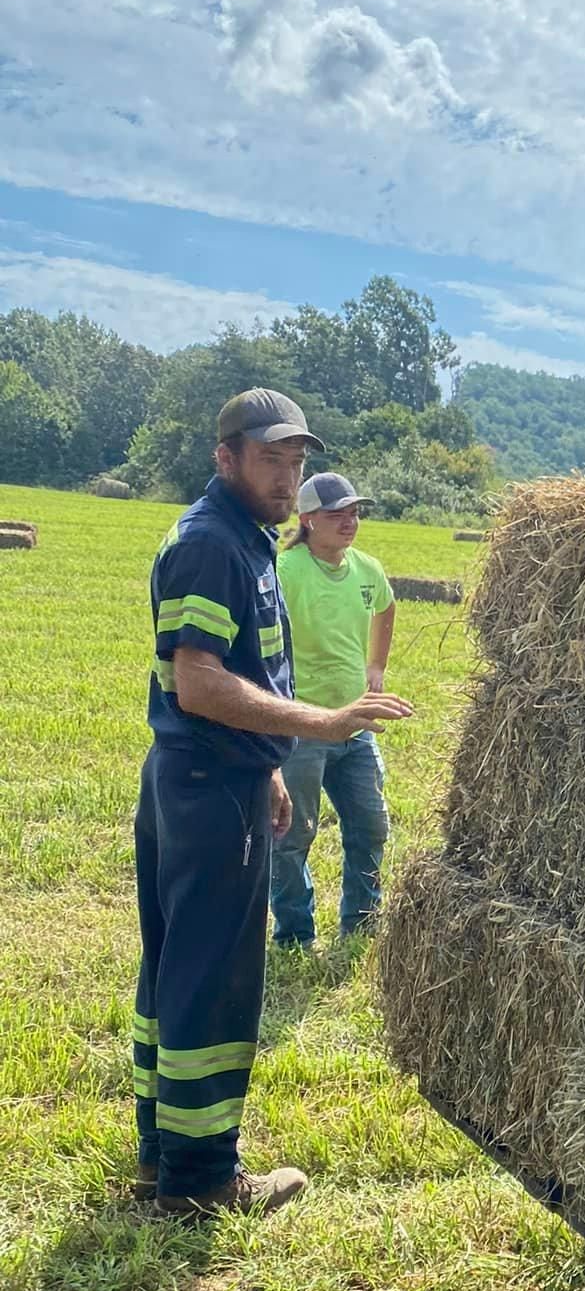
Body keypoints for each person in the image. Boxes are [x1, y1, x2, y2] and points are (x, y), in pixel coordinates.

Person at [132, 389, 413, 1220]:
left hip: (210, 775)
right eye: (270, 459)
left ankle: (161, 1157)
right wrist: (320, 724)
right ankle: (203, 1178)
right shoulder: (214, 545)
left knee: (176, 964)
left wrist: (272, 768)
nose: (288, 478)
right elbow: (201, 683)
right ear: (226, 457)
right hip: (207, 785)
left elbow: (241, 675)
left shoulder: (239, 539)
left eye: (296, 462)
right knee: (214, 978)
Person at [271, 472, 398, 951]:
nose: (350, 522)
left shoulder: (367, 568)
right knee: (292, 836)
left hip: (357, 726)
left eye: (355, 513)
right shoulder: (286, 571)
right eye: (337, 514)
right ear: (307, 520)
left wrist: (377, 667)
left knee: (370, 827)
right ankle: (294, 936)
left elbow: (386, 608)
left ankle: (361, 925)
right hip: (300, 724)